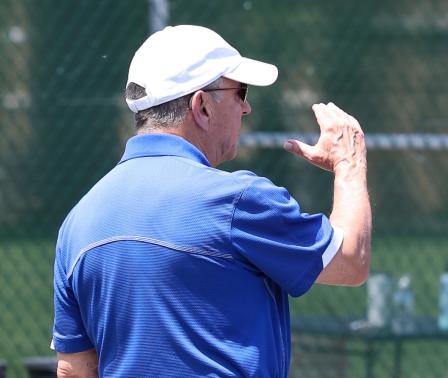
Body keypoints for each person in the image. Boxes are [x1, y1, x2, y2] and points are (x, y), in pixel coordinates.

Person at [51, 25, 371, 377]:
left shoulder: (78, 221)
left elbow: (75, 370)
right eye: (239, 92)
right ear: (201, 106)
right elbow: (351, 260)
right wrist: (349, 162)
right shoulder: (238, 201)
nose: (246, 107)